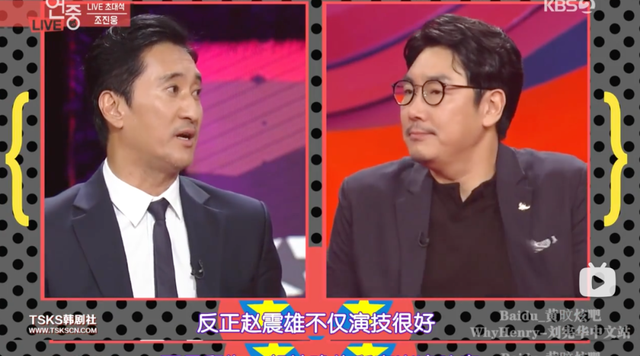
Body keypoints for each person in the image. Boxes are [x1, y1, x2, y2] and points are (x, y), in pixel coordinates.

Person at [327, 14, 587, 298]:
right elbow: (338, 320)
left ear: (491, 107)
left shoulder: (567, 186)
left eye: (435, 91)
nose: (413, 110)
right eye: (409, 91)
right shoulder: (365, 198)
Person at [45, 14, 284, 298]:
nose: (192, 112)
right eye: (172, 90)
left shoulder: (246, 225)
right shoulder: (44, 231)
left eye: (196, 93)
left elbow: (269, 327)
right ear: (114, 108)